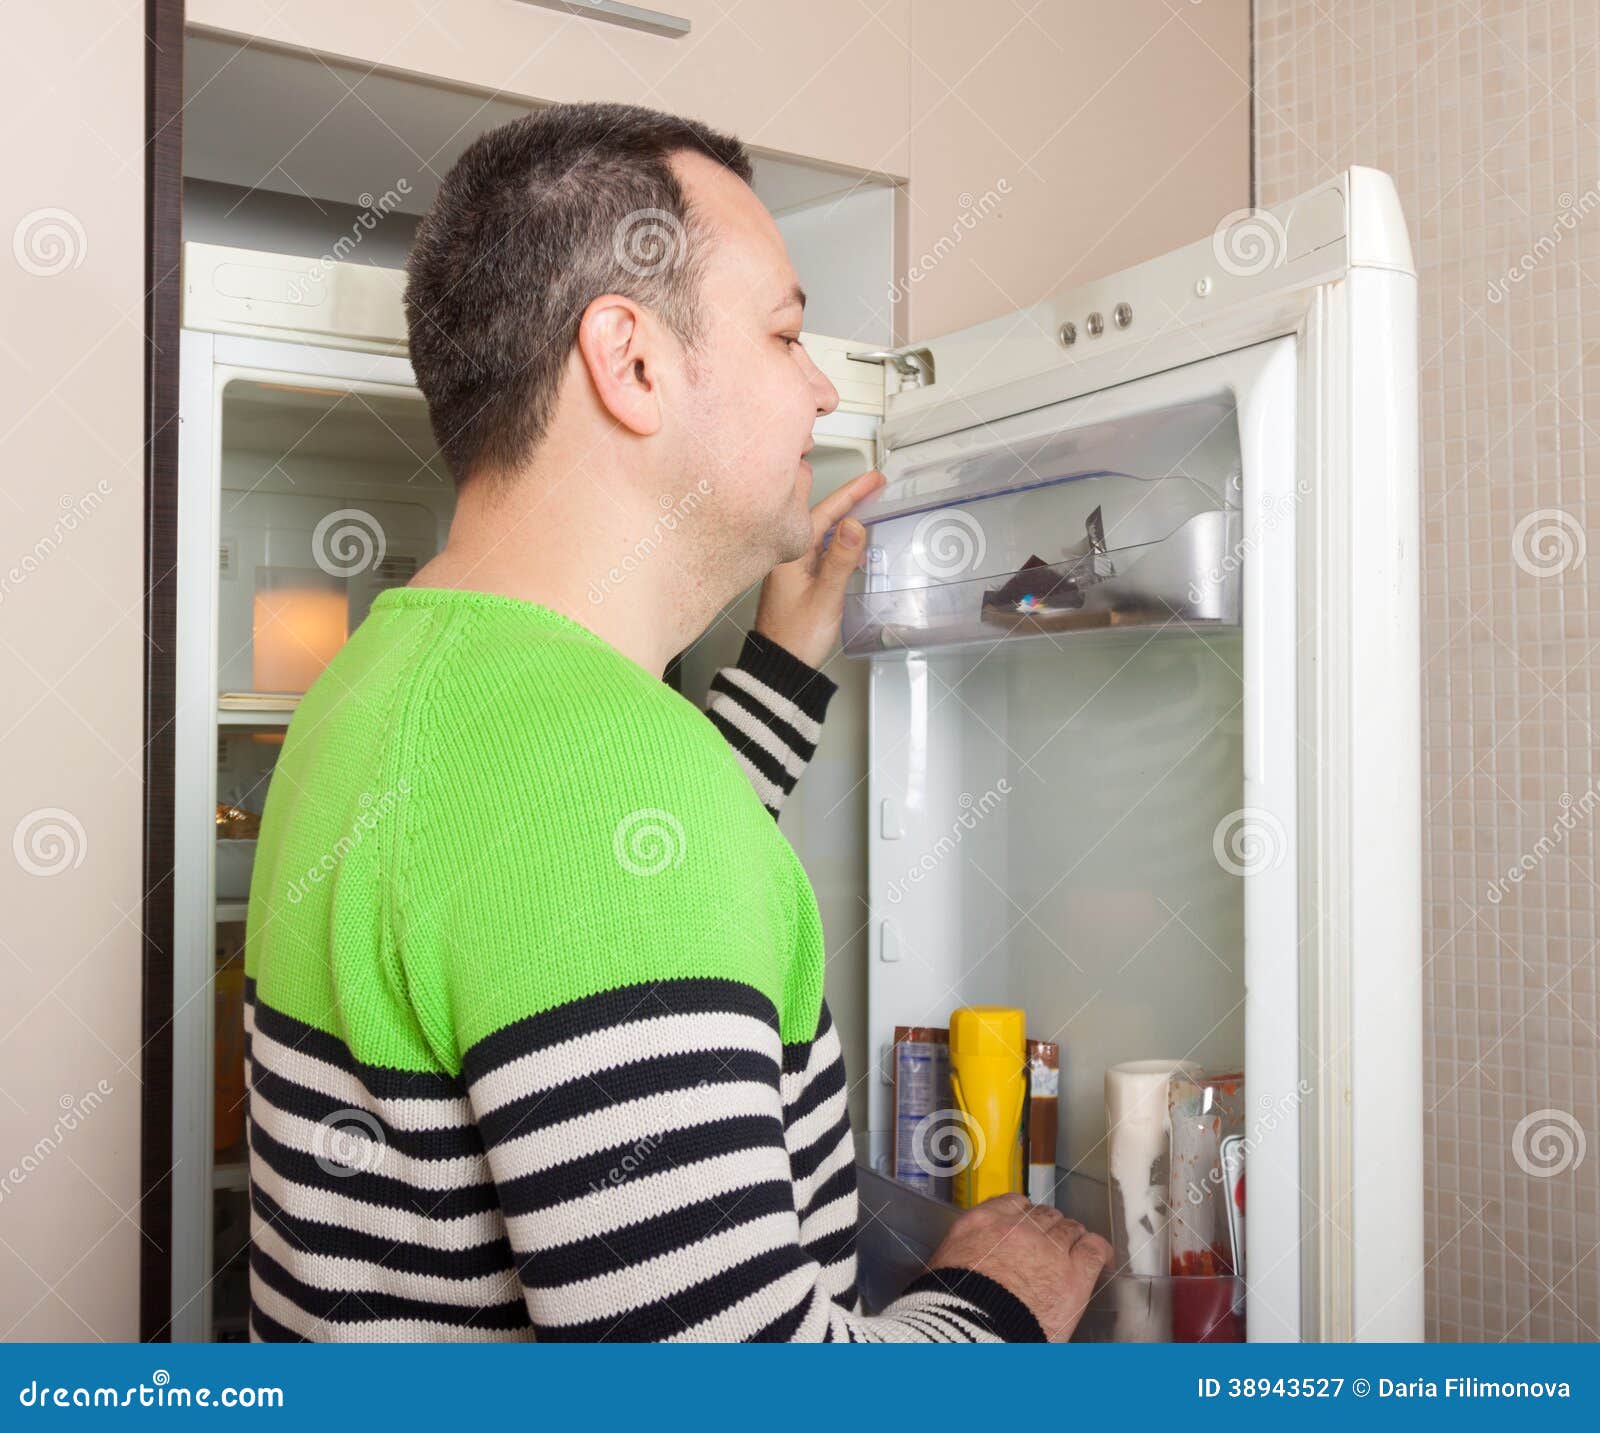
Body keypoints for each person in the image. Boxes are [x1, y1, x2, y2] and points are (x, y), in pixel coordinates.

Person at [242, 100, 1110, 1342]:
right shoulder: (594, 776)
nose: (818, 387)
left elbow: (557, 899)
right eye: (786, 332)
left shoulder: (392, 679)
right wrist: (993, 1298)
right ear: (632, 361)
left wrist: (780, 667)